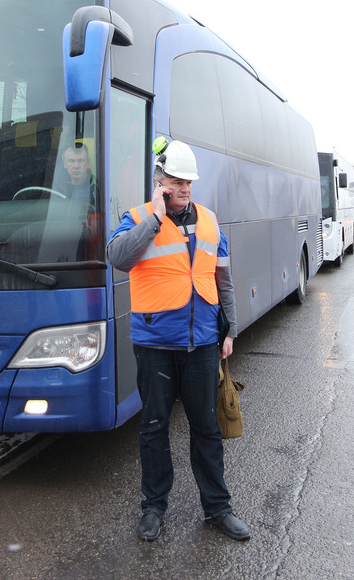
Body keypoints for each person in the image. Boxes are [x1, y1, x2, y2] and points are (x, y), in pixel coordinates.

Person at [106, 139, 249, 543]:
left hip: (203, 342)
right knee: (154, 426)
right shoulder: (135, 218)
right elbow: (117, 257)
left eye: (188, 181)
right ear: (159, 183)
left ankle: (218, 508)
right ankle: (153, 507)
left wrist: (230, 329)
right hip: (155, 344)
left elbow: (223, 278)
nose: (184, 188)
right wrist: (153, 219)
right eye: (175, 181)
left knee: (206, 427)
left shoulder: (209, 221)